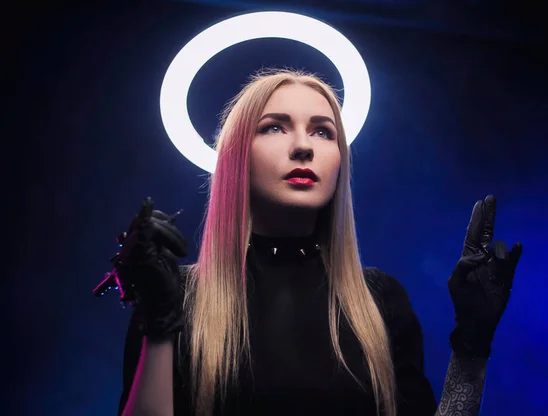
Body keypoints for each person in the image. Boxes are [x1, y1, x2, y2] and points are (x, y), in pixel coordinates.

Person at [113, 69, 522, 416]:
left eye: (323, 132)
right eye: (274, 126)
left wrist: (471, 344)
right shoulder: (177, 297)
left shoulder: (380, 300)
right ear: (237, 155)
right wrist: (160, 325)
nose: (304, 146)